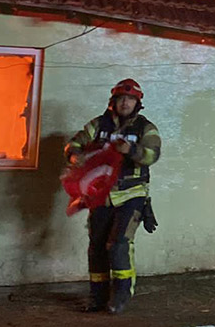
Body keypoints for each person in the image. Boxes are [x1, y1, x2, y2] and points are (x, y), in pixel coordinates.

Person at [66, 78, 161, 314]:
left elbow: (152, 155)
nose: (125, 103)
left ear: (137, 103)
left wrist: (132, 150)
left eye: (130, 99)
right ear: (113, 102)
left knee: (118, 245)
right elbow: (73, 145)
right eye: (121, 98)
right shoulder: (98, 125)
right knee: (97, 246)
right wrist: (76, 157)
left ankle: (121, 294)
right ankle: (97, 297)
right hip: (101, 196)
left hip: (132, 194)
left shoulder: (145, 128)